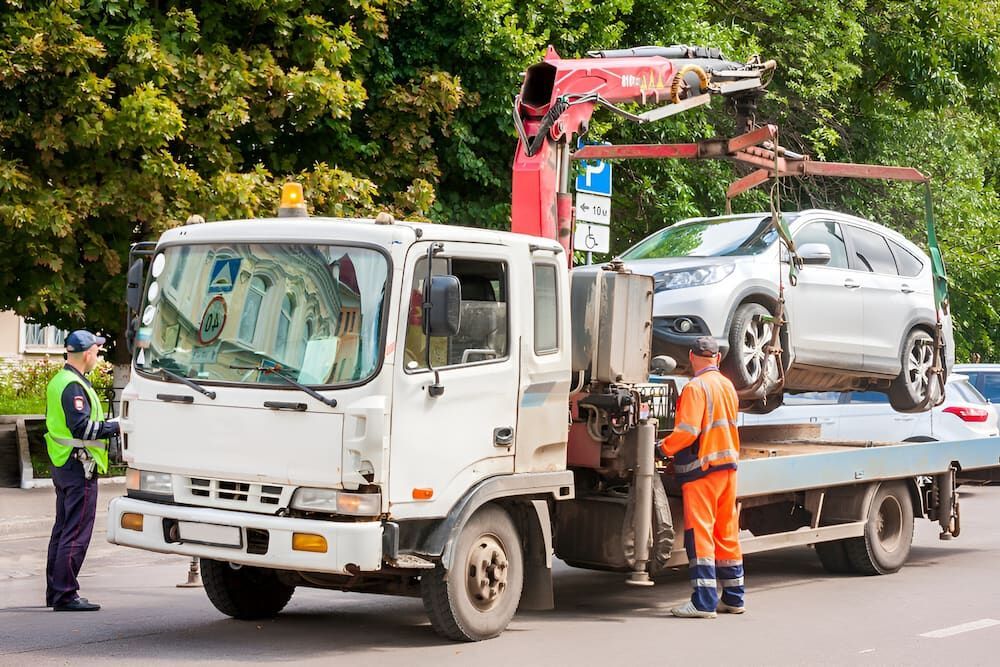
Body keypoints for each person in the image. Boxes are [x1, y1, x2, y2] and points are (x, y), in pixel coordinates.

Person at [659, 336, 744, 618]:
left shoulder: (695, 388)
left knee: (701, 535)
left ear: (693, 357)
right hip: (727, 467)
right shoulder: (727, 385)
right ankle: (734, 597)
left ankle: (704, 602)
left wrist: (662, 447)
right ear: (717, 359)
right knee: (726, 533)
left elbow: (687, 432)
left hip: (703, 470)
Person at [44, 330, 120, 612]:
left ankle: (56, 591)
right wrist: (117, 426)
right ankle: (65, 595)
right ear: (88, 353)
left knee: (63, 529)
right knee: (75, 532)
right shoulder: (73, 386)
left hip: (65, 464)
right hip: (79, 466)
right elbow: (83, 428)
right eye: (97, 352)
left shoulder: (61, 380)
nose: (98, 356)